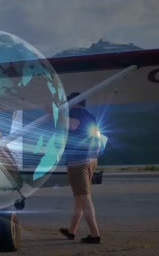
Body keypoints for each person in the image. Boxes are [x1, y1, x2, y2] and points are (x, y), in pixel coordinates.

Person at [59, 92, 101, 244]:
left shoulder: (75, 113)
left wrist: (53, 113)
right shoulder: (90, 116)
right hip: (90, 160)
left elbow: (72, 124)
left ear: (73, 103)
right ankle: (71, 231)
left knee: (84, 198)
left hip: (78, 162)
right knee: (79, 198)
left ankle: (95, 235)